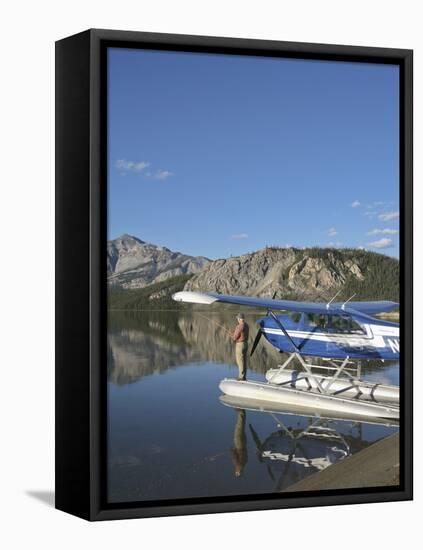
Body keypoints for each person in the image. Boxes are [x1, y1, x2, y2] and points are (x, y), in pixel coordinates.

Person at [231, 313, 249, 381]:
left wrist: (233, 337)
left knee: (240, 361)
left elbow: (235, 337)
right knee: (244, 361)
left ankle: (241, 377)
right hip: (246, 344)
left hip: (240, 345)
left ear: (239, 319)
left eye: (237, 318)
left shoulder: (239, 326)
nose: (237, 320)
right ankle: (244, 376)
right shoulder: (246, 325)